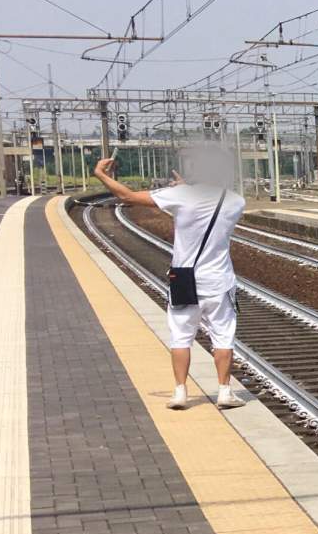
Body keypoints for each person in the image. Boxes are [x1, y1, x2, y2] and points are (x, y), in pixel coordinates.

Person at [93, 145, 247, 411]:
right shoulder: (235, 201)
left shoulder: (180, 196)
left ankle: (180, 393)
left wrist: (101, 175)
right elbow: (205, 206)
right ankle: (224, 391)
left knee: (181, 337)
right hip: (219, 281)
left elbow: (126, 196)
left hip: (184, 279)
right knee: (223, 337)